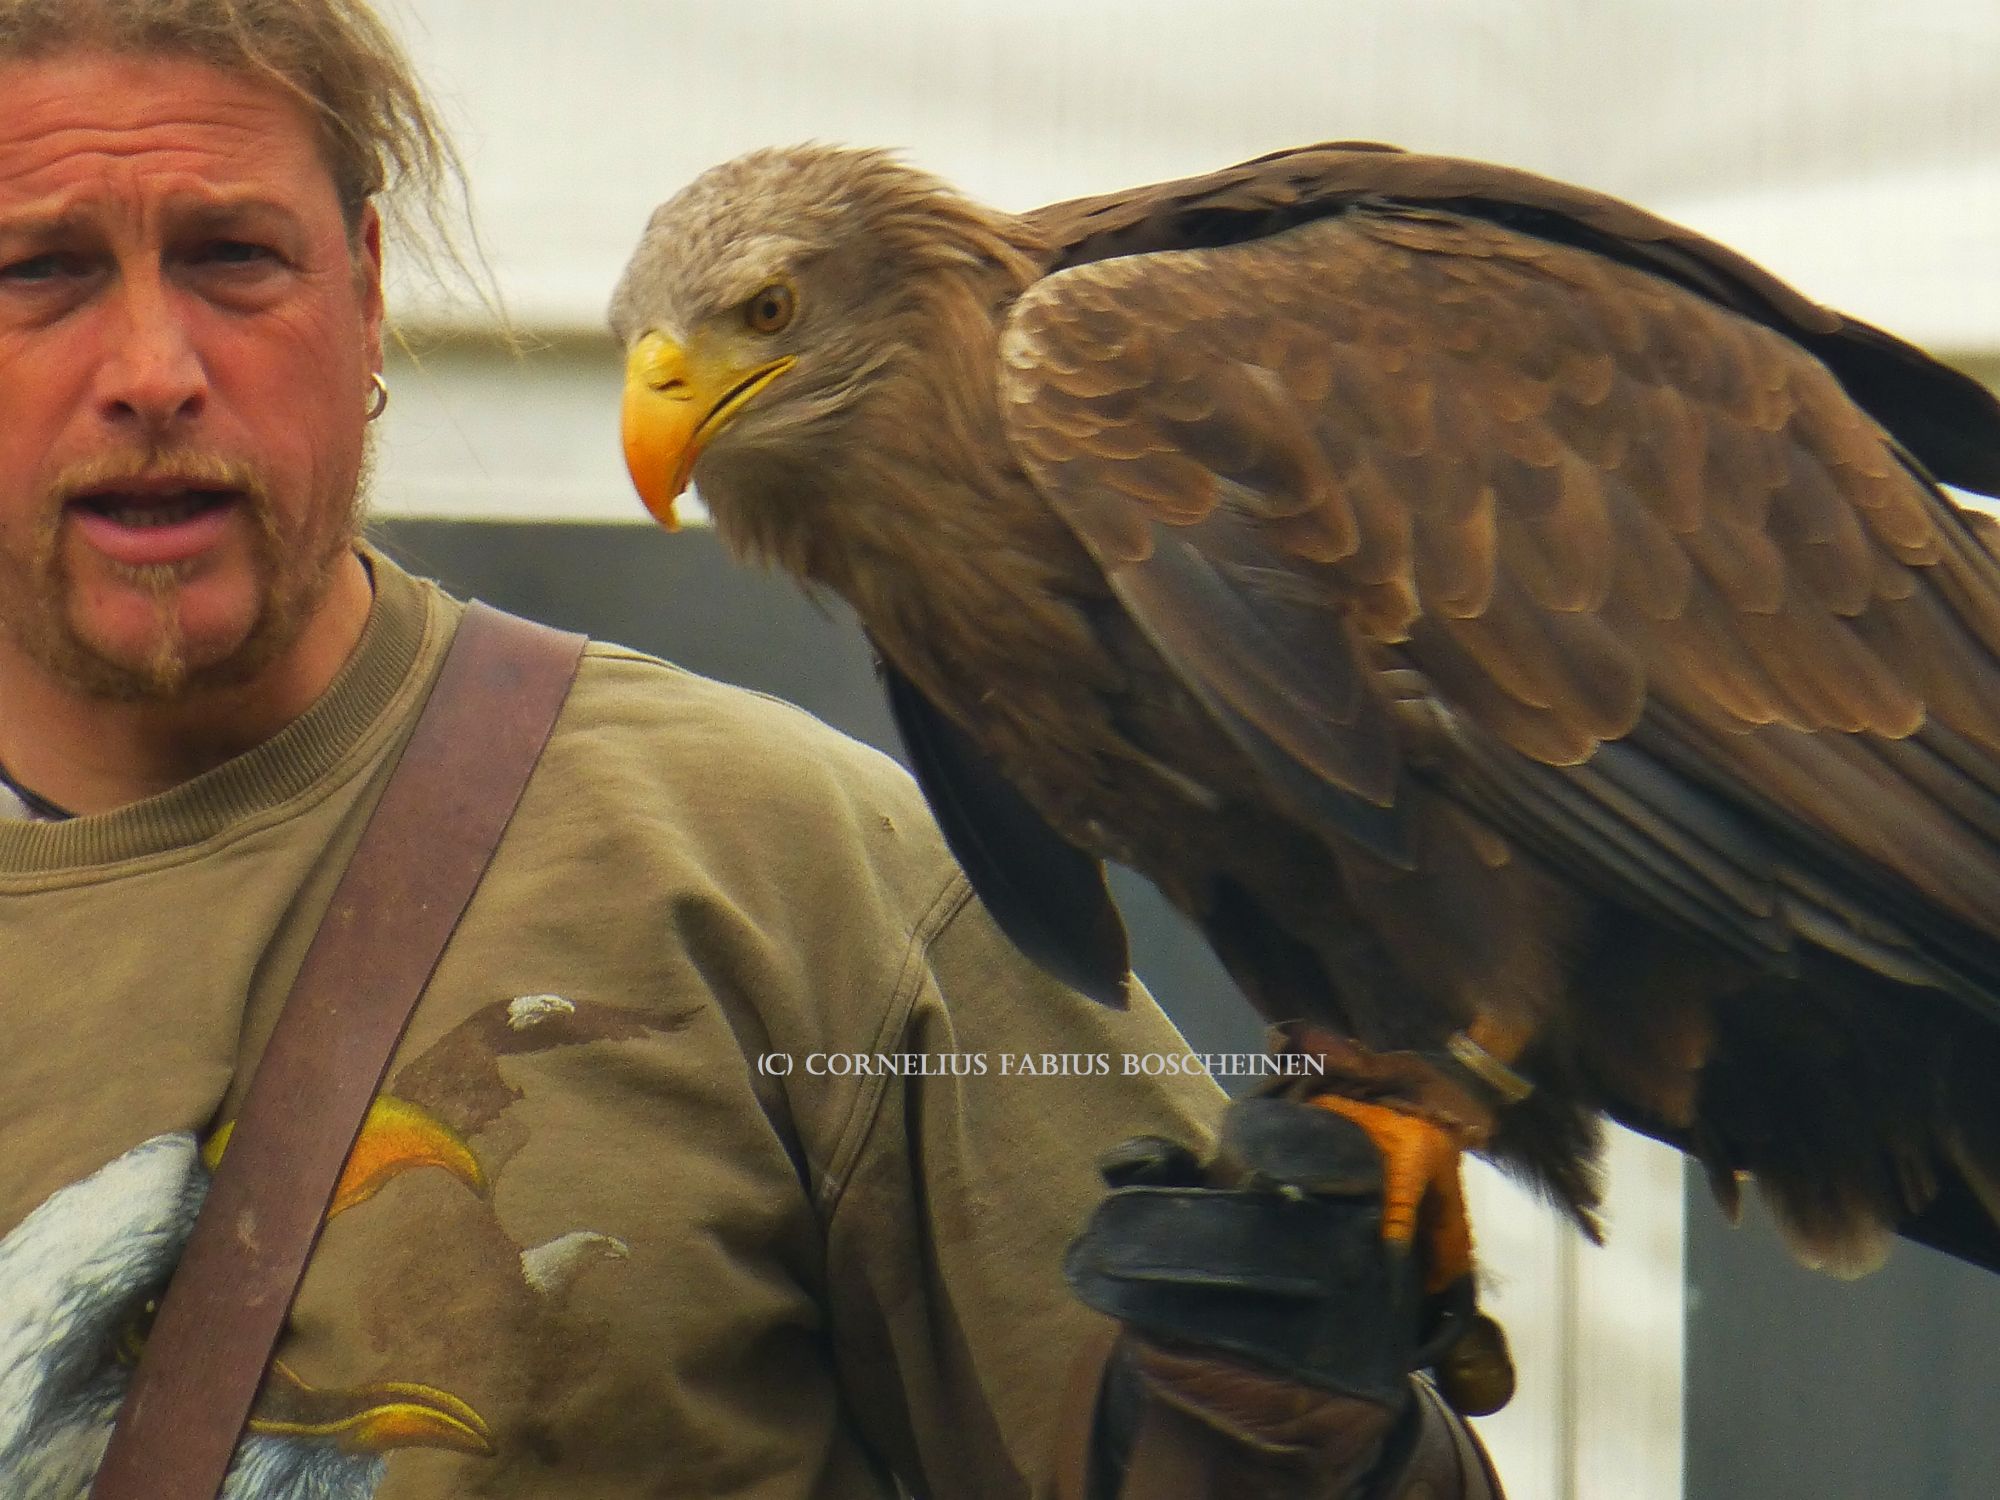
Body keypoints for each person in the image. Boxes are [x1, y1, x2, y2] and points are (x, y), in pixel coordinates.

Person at [0, 2, 1502, 1495]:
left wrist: (1285, 1431)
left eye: (233, 259)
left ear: (368, 293)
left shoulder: (780, 863)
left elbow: (1254, 1432)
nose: (153, 367)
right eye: (39, 272)